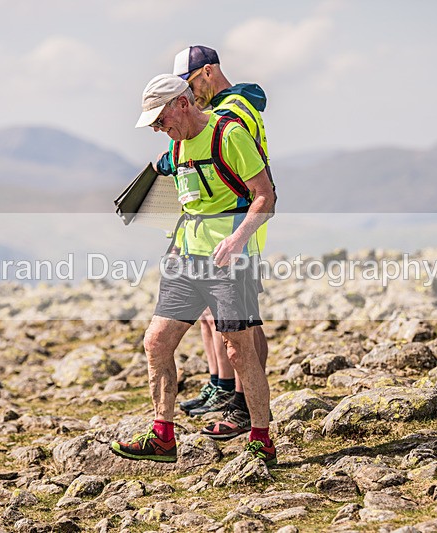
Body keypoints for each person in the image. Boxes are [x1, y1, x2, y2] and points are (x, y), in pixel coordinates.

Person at [111, 74, 276, 465]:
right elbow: (180, 193)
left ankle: (261, 440)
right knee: (156, 342)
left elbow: (266, 196)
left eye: (160, 118)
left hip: (230, 260)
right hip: (186, 259)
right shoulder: (177, 143)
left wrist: (237, 240)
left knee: (239, 350)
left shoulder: (229, 135)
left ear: (182, 104)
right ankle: (162, 437)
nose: (156, 127)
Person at [157, 46, 271, 439]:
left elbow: (253, 183)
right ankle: (224, 389)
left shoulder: (233, 112)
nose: (190, 94)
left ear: (207, 72)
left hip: (239, 232)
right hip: (212, 237)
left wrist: (241, 236)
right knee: (221, 322)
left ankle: (242, 408)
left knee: (243, 329)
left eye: (189, 85)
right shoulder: (221, 109)